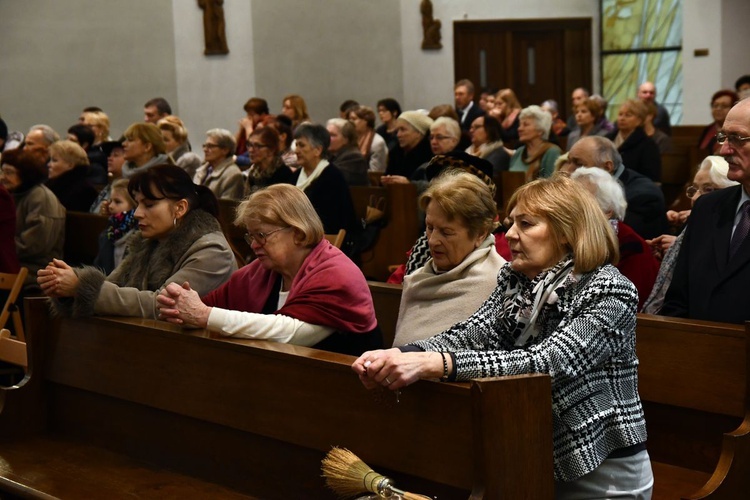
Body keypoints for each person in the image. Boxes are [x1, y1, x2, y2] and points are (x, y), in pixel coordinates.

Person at [353, 175, 652, 497]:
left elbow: (549, 362)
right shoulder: (517, 279)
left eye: (526, 224)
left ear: (567, 231)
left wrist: (438, 364)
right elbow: (472, 333)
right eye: (511, 223)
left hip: (599, 468)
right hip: (528, 452)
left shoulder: (608, 288)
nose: (509, 234)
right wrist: (402, 354)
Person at [156, 184, 382, 355]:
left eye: (261, 235)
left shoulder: (338, 274)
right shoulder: (260, 272)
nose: (253, 245)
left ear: (298, 233)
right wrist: (180, 309)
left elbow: (289, 333)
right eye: (251, 236)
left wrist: (204, 315)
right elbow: (208, 305)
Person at [38, 164, 236, 318]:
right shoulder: (148, 243)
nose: (138, 214)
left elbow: (163, 305)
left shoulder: (213, 251)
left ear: (180, 208)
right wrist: (67, 287)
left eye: (149, 205)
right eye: (137, 204)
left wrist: (81, 287)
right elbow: (113, 287)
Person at [661, 98, 750, 324]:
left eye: (737, 138)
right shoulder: (707, 207)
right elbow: (678, 298)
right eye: (723, 137)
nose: (724, 149)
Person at [392, 171, 506, 346]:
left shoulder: (501, 283)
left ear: (480, 234)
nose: (432, 240)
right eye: (429, 227)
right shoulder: (417, 278)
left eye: (446, 232)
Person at [642, 156, 737, 314]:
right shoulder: (695, 220)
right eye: (695, 189)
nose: (695, 198)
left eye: (709, 190)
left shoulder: (736, 225)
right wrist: (673, 251)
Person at [571, 167, 659, 309]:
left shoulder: (631, 246)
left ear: (607, 211)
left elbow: (624, 308)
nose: (569, 209)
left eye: (581, 203)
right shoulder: (565, 238)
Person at [567, 136, 668, 240]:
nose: (569, 171)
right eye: (568, 162)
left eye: (579, 164)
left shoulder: (643, 197)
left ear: (607, 167)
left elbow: (612, 241)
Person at [0, 149, 65, 291]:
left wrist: (5, 247)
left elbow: (35, 246)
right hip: (17, 262)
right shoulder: (14, 193)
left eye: (9, 172)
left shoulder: (41, 198)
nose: (3, 177)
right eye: (2, 171)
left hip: (37, 268)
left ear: (25, 174)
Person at [292, 123, 356, 236]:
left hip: (325, 240)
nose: (296, 150)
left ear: (318, 150)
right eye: (296, 145)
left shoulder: (332, 177)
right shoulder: (295, 176)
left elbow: (331, 221)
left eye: (301, 145)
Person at [382, 117, 462, 193]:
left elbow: (445, 189)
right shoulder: (426, 165)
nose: (433, 142)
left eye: (439, 137)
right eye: (431, 137)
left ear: (454, 141)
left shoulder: (462, 164)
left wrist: (409, 184)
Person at [605, 99, 662, 182]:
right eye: (620, 114)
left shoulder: (648, 145)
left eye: (628, 115)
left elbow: (651, 178)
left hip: (633, 188)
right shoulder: (607, 139)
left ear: (639, 120)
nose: (622, 118)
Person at [92, 178, 138, 275]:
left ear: (134, 205)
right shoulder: (109, 233)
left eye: (117, 202)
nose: (111, 206)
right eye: (110, 201)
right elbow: (98, 269)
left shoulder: (140, 234)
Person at [508, 105, 562, 181]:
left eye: (525, 125)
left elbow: (551, 186)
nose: (519, 129)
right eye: (519, 125)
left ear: (540, 130)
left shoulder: (552, 152)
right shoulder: (518, 152)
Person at [46, 140, 99, 211]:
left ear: (70, 165)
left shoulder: (84, 191)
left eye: (54, 160)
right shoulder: (50, 185)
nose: (49, 165)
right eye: (50, 160)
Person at [193, 129, 244, 200]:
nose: (205, 149)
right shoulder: (201, 170)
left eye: (210, 146)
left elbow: (225, 207)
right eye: (204, 145)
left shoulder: (233, 175)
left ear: (225, 150)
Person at [243, 126, 295, 196]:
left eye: (257, 146)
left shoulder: (283, 175)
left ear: (272, 149)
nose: (250, 150)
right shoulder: (253, 173)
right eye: (249, 145)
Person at [384, 111, 434, 179]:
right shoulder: (395, 153)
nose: (398, 135)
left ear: (418, 133)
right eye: (397, 131)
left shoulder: (429, 155)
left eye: (403, 130)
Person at [326, 118, 369, 186]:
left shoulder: (354, 157)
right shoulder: (328, 154)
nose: (327, 138)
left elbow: (333, 179)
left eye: (332, 135)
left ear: (346, 139)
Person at [697, 90, 739, 155]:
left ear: (733, 109)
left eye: (724, 106)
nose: (718, 109)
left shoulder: (737, 130)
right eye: (715, 105)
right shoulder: (708, 129)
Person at [348, 105, 388, 173]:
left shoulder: (377, 142)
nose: (350, 122)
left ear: (365, 121)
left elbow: (375, 172)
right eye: (349, 119)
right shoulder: (349, 139)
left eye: (354, 119)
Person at [235, 97, 271, 161]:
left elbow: (253, 144)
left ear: (262, 115)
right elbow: (233, 146)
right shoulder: (251, 123)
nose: (248, 117)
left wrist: (248, 127)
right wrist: (241, 130)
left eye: (252, 114)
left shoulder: (267, 122)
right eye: (248, 114)